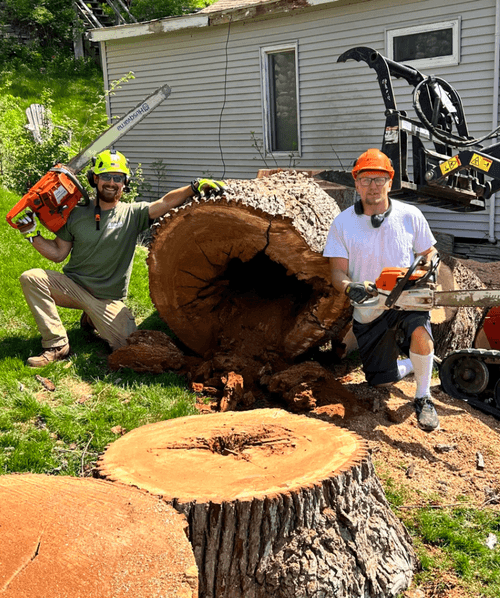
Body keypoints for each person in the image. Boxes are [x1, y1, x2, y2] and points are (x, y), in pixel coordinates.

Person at [17, 149, 225, 367]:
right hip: (73, 288)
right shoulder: (76, 213)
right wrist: (32, 234)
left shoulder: (132, 214)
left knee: (127, 347)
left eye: (118, 178)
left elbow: (164, 202)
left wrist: (193, 187)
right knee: (31, 277)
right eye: (106, 176)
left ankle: (91, 318)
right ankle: (57, 344)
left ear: (125, 183)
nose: (111, 182)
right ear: (94, 179)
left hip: (107, 299)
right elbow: (58, 254)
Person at [323, 148, 440, 432]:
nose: (372, 186)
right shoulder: (343, 223)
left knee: (420, 329)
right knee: (381, 381)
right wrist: (350, 287)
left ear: (390, 181)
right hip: (369, 305)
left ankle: (423, 396)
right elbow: (337, 271)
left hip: (406, 296)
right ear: (356, 183)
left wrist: (429, 267)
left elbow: (430, 252)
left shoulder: (409, 215)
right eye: (366, 180)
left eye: (379, 179)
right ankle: (411, 365)